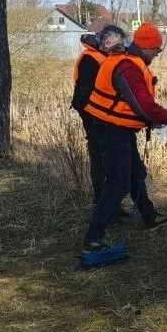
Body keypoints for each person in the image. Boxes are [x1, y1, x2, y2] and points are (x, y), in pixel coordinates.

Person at [81, 22, 167, 253]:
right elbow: (143, 104)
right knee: (118, 184)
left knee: (135, 174)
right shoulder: (128, 67)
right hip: (112, 130)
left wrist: (151, 119)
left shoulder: (124, 61)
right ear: (148, 47)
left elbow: (132, 105)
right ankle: (93, 239)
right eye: (157, 50)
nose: (157, 54)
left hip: (115, 128)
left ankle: (149, 215)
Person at [70, 24, 127, 211]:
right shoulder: (90, 60)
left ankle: (111, 206)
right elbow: (81, 96)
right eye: (120, 44)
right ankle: (102, 206)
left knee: (111, 163)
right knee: (100, 162)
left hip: (107, 120)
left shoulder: (104, 57)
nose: (123, 48)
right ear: (108, 42)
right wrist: (93, 121)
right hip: (95, 121)